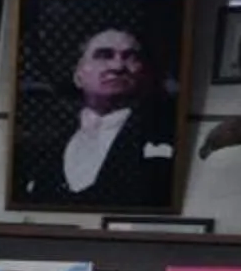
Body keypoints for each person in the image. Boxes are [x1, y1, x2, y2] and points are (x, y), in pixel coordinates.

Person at [16, 26, 180, 211]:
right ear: (78, 75)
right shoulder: (47, 148)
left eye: (130, 57)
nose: (117, 66)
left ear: (145, 73)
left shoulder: (167, 132)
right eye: (104, 55)